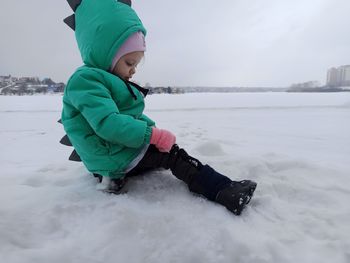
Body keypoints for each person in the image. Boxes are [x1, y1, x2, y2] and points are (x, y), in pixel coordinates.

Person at [61, 0, 257, 215]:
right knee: (174, 155)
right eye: (128, 63)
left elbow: (127, 117)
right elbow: (108, 124)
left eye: (135, 64)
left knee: (160, 149)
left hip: (110, 154)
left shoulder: (99, 79)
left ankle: (110, 179)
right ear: (105, 52)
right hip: (114, 154)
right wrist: (151, 135)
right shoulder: (86, 80)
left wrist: (150, 131)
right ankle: (223, 191)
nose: (133, 70)